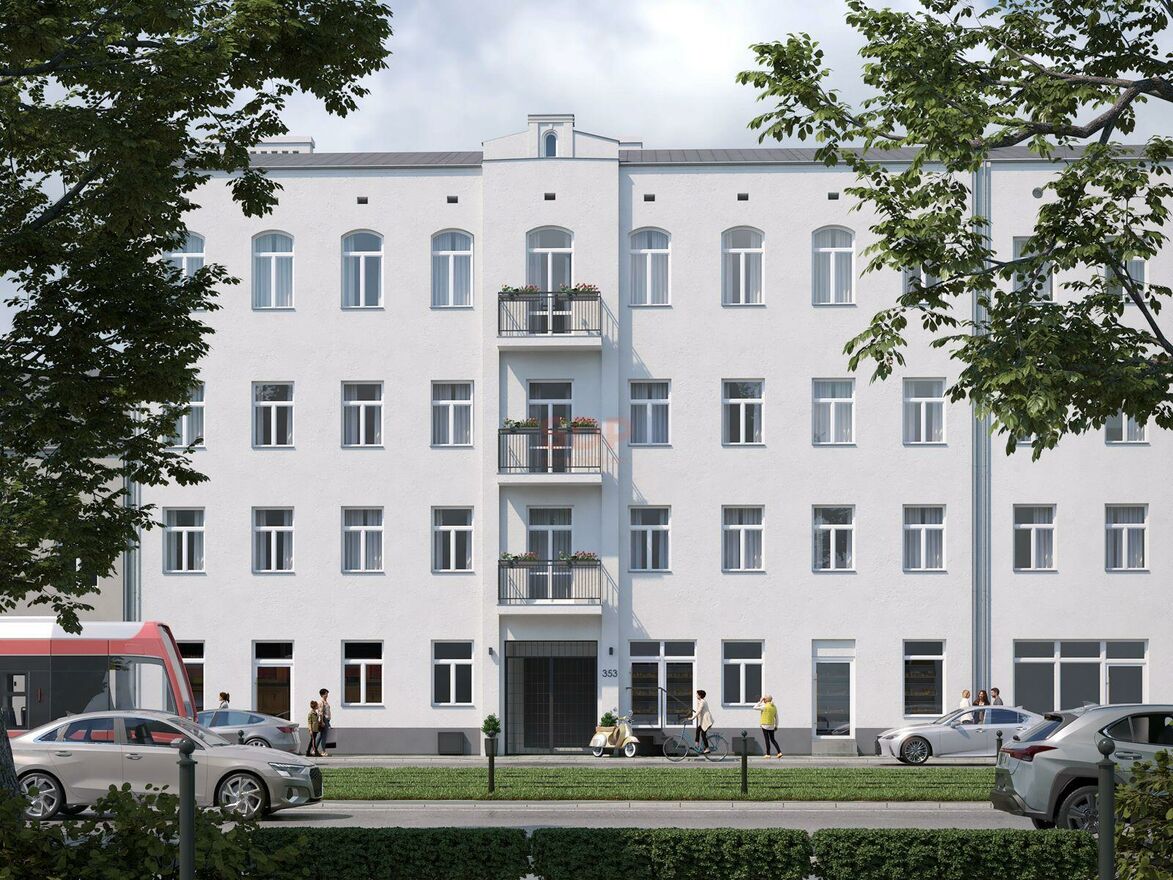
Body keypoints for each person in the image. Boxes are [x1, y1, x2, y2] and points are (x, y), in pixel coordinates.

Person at [753, 694, 781, 758]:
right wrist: (776, 726)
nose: (763, 700)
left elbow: (754, 707)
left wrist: (760, 701)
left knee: (767, 740)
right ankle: (779, 752)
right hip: (771, 725)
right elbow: (776, 718)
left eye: (764, 699)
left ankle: (768, 754)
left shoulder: (764, 706)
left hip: (765, 725)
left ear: (766, 699)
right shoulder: (774, 707)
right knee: (773, 739)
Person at [688, 689, 714, 754]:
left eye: (697, 694)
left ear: (700, 695)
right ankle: (696, 744)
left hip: (706, 721)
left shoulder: (703, 702)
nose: (696, 695)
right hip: (704, 721)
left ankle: (707, 748)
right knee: (698, 730)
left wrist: (692, 718)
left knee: (703, 734)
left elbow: (699, 711)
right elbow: (697, 711)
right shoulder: (700, 701)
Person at [318, 688, 332, 757]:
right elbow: (320, 713)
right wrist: (322, 722)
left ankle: (314, 750)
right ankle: (323, 751)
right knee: (324, 736)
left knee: (321, 736)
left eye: (327, 694)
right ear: (322, 695)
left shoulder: (325, 702)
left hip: (326, 720)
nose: (327, 695)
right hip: (324, 720)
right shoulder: (321, 702)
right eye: (326, 694)